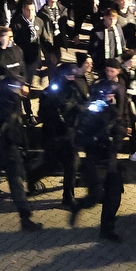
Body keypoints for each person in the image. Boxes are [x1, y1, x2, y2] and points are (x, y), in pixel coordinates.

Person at [69, 57, 129, 242]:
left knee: (114, 196)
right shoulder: (89, 113)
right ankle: (80, 205)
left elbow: (120, 126)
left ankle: (107, 229)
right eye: (110, 95)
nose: (112, 97)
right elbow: (79, 139)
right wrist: (98, 134)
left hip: (110, 159)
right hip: (95, 161)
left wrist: (117, 136)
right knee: (96, 196)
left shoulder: (110, 110)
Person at [0, 76, 44, 232]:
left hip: (11, 150)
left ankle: (25, 218)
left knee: (16, 184)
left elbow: (17, 128)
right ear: (12, 88)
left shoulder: (14, 101)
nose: (23, 90)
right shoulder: (1, 104)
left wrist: (24, 147)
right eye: (19, 87)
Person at [38, 62, 89, 209]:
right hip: (53, 136)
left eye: (74, 75)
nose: (72, 78)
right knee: (50, 165)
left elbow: (81, 105)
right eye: (69, 75)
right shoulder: (49, 93)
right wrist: (59, 119)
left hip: (69, 136)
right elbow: (43, 114)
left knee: (72, 164)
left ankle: (68, 196)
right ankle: (33, 177)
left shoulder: (74, 89)